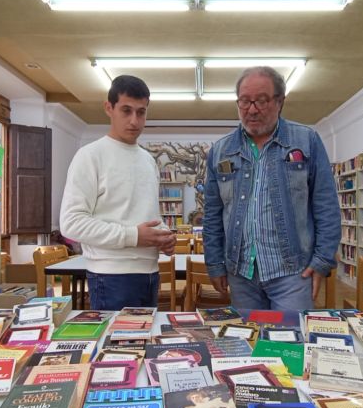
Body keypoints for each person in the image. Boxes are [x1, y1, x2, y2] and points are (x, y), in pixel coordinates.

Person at [203, 66, 339, 311]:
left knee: (289, 345)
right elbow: (212, 214)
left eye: (262, 101)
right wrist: (214, 263)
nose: (252, 109)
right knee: (248, 344)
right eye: (245, 101)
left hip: (293, 273)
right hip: (241, 273)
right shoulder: (220, 152)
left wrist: (322, 260)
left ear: (280, 102)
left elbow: (326, 206)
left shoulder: (307, 141)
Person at [60, 75, 176, 310]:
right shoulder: (90, 155)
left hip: (151, 274)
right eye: (126, 110)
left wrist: (163, 236)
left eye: (141, 112)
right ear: (108, 108)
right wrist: (134, 236)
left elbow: (144, 216)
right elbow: (71, 224)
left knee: (144, 346)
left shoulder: (148, 160)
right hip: (110, 277)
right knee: (115, 348)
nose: (134, 121)